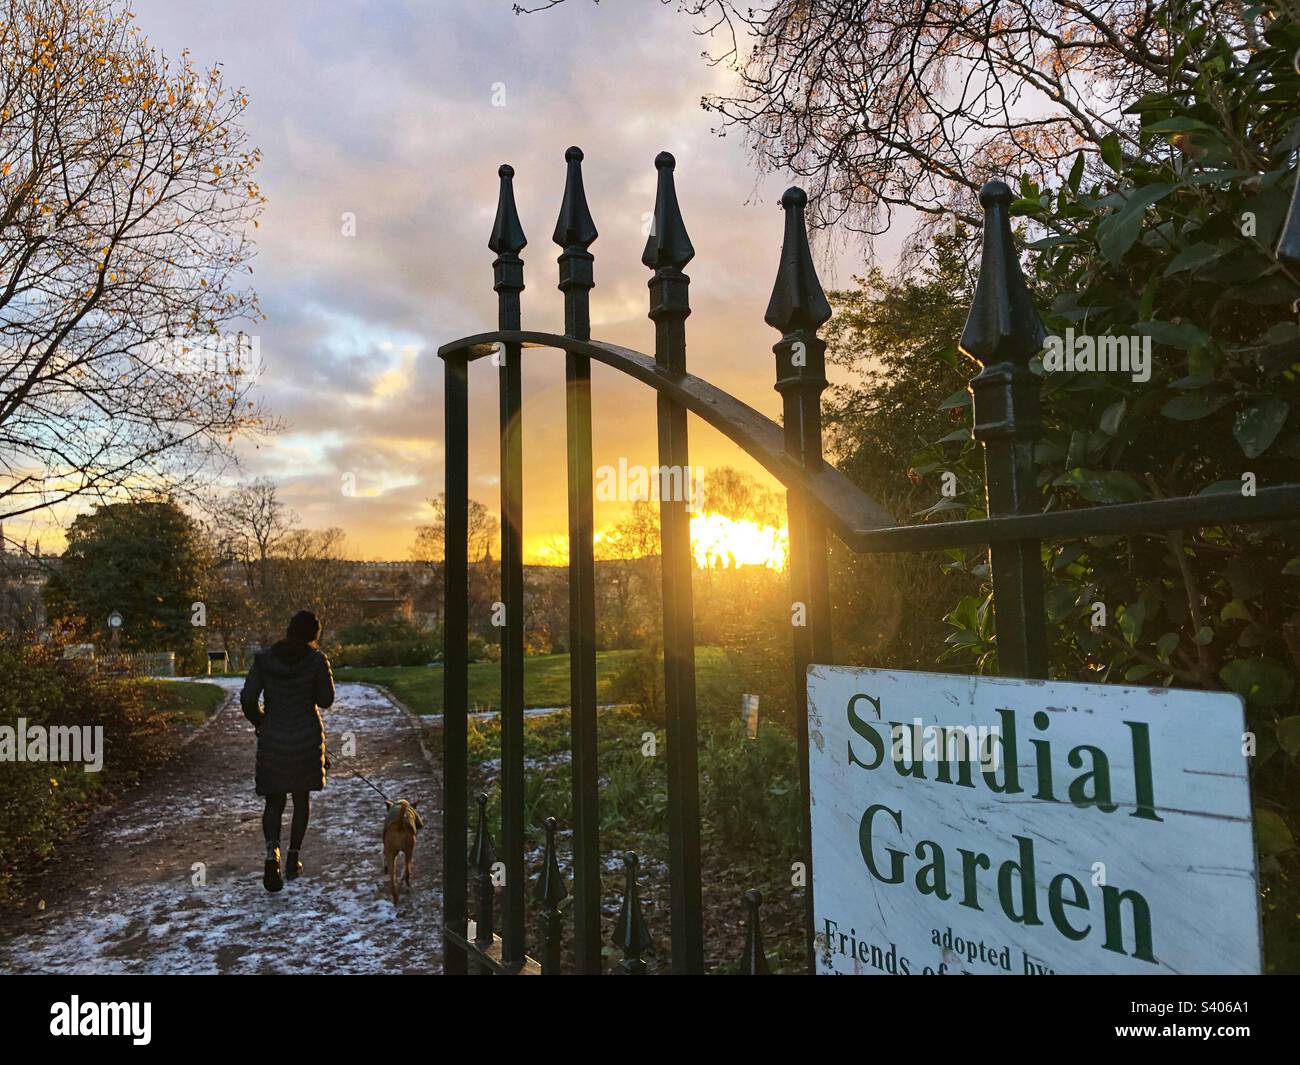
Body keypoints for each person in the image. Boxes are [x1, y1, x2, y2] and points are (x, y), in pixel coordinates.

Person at [240, 610, 335, 892]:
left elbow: (247, 699)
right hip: (306, 737)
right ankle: (293, 857)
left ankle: (272, 853)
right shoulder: (317, 661)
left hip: (274, 738)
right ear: (313, 635)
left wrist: (262, 722)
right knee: (301, 798)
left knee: (274, 801)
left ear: (289, 629)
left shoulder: (265, 659)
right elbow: (326, 700)